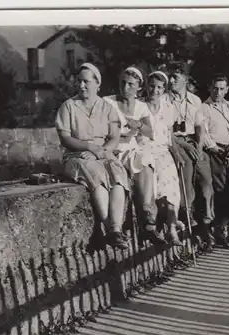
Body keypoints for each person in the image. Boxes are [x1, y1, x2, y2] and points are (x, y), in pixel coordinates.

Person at [55, 62, 130, 250]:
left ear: (98, 84)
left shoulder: (107, 107)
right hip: (77, 155)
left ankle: (116, 228)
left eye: (86, 82)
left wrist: (101, 151)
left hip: (102, 153)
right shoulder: (69, 106)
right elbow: (65, 138)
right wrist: (89, 148)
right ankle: (109, 228)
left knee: (118, 173)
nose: (81, 85)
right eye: (79, 81)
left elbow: (114, 137)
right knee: (96, 175)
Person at [104, 66, 165, 245]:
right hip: (112, 149)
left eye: (131, 84)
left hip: (130, 148)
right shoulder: (108, 102)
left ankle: (147, 214)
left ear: (139, 87)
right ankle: (145, 226)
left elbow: (150, 132)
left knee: (145, 162)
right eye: (123, 83)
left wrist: (138, 125)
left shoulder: (141, 107)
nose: (125, 88)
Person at [165, 62, 216, 249]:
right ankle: (190, 221)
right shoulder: (164, 100)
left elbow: (200, 127)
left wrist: (200, 147)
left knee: (206, 180)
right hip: (177, 143)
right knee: (186, 180)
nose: (171, 81)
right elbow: (166, 131)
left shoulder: (195, 100)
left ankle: (207, 223)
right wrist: (185, 145)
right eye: (170, 77)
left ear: (185, 80)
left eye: (175, 78)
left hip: (194, 142)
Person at [198, 75, 229, 247]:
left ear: (227, 90)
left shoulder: (228, 106)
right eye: (215, 88)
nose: (218, 92)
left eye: (221, 88)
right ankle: (220, 230)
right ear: (209, 88)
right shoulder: (204, 108)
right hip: (215, 151)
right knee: (221, 190)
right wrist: (217, 150)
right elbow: (203, 133)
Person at [144, 70, 185, 246]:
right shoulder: (139, 106)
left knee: (171, 188)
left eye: (160, 87)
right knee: (158, 187)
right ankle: (172, 227)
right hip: (145, 151)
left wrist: (177, 154)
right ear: (146, 86)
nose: (155, 90)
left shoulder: (168, 108)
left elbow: (169, 136)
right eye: (152, 86)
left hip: (163, 151)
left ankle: (171, 228)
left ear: (164, 89)